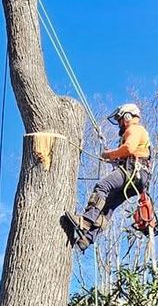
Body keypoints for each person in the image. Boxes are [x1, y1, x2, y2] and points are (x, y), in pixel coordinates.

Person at [65, 103, 151, 251]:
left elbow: (129, 148)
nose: (119, 124)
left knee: (102, 186)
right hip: (138, 178)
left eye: (120, 120)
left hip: (133, 171)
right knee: (108, 206)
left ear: (127, 117)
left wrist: (109, 154)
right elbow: (130, 152)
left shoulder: (135, 129)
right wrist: (114, 158)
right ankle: (87, 238)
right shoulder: (136, 133)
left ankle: (86, 220)